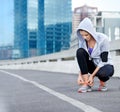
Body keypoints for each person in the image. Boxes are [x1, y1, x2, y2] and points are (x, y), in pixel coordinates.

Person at [76, 17, 114, 93]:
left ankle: (102, 83)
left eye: (86, 35)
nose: (84, 37)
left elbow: (104, 60)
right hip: (93, 64)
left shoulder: (103, 39)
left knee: (102, 73)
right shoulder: (82, 41)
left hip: (105, 65)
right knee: (79, 51)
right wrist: (80, 75)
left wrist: (92, 76)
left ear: (91, 32)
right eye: (82, 35)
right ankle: (87, 84)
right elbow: (82, 60)